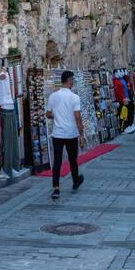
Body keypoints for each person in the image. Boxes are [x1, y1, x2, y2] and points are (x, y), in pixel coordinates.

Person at [45, 70, 84, 199]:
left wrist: (57, 116)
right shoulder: (74, 97)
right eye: (72, 80)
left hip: (57, 133)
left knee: (57, 161)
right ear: (70, 81)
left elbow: (48, 114)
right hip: (71, 133)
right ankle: (75, 182)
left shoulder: (53, 96)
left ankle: (56, 188)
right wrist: (81, 134)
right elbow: (77, 117)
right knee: (73, 160)